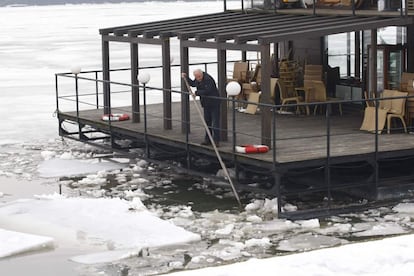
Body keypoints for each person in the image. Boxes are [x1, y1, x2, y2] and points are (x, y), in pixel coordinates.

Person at [182, 69, 221, 146]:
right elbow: (193, 84)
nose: (198, 78)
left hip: (214, 103)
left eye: (199, 77)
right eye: (196, 77)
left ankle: (216, 141)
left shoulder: (208, 79)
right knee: (207, 122)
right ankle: (208, 139)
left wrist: (196, 93)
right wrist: (186, 78)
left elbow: (207, 91)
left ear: (202, 74)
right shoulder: (198, 79)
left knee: (215, 123)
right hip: (206, 104)